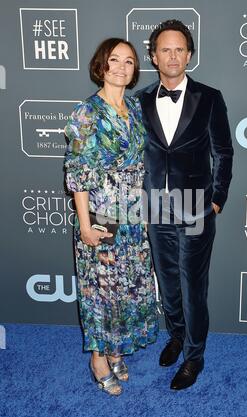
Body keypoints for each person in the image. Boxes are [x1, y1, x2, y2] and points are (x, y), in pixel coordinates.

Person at [136, 20, 233, 390]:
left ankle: (194, 356)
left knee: (193, 286)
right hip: (156, 207)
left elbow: (223, 153)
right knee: (169, 283)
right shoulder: (141, 100)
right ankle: (176, 336)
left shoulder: (209, 97)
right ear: (154, 56)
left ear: (189, 55)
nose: (173, 56)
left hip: (196, 207)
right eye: (165, 50)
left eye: (179, 49)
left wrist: (218, 201)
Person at [64, 38, 158, 396]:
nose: (121, 67)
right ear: (100, 66)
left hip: (132, 217)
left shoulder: (134, 109)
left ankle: (117, 349)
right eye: (114, 60)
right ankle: (99, 359)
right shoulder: (86, 113)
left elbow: (139, 164)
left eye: (129, 62)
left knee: (128, 288)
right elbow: (77, 173)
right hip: (101, 217)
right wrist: (86, 225)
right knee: (101, 293)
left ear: (135, 70)